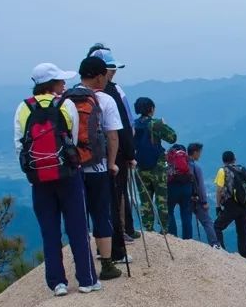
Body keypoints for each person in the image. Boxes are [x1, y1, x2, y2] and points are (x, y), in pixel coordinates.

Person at [14, 63, 100, 296]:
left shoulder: (24, 108)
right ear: (52, 84)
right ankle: (86, 279)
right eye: (61, 81)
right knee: (78, 228)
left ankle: (57, 283)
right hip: (68, 176)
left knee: (49, 231)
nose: (64, 84)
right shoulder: (66, 104)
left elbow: (19, 145)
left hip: (39, 180)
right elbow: (71, 140)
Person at [67, 56, 123, 281]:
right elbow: (112, 136)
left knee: (78, 216)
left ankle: (83, 266)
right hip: (98, 169)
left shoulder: (65, 99)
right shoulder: (105, 100)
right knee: (102, 213)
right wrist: (111, 163)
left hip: (72, 169)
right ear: (100, 76)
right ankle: (107, 264)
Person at [86, 44, 136, 258]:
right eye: (111, 69)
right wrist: (130, 156)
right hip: (113, 159)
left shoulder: (76, 96)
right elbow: (121, 129)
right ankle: (116, 250)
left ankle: (100, 247)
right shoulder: (113, 93)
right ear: (101, 72)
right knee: (114, 202)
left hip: (86, 161)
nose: (113, 73)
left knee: (97, 205)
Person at [132, 97, 177, 233]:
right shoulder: (156, 124)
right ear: (151, 109)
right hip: (157, 166)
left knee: (145, 199)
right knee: (161, 198)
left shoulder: (133, 124)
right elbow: (172, 138)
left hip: (140, 166)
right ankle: (164, 228)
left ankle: (148, 227)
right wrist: (164, 124)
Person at [213, 150, 246, 260]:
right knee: (242, 231)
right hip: (244, 204)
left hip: (230, 205)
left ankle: (221, 251)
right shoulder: (244, 170)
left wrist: (218, 206)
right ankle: (244, 256)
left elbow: (219, 190)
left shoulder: (223, 171)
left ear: (223, 160)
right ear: (234, 159)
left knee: (217, 227)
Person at [187, 143, 220, 247]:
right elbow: (201, 186)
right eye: (200, 152)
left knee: (186, 220)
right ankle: (214, 244)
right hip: (196, 200)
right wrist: (204, 201)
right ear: (195, 152)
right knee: (207, 221)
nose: (200, 155)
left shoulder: (183, 165)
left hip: (184, 198)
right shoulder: (196, 167)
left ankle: (185, 241)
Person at [165, 144, 195, 240]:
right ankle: (188, 238)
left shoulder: (170, 159)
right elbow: (192, 176)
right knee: (186, 212)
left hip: (172, 187)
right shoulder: (187, 160)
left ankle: (173, 236)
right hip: (187, 187)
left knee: (169, 211)